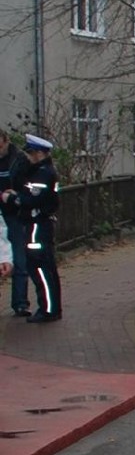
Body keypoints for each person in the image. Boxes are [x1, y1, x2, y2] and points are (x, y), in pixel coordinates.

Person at [1, 134, 61, 323]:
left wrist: (12, 198)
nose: (27, 157)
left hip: (37, 225)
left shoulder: (43, 173)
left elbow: (34, 199)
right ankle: (50, 308)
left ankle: (48, 309)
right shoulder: (43, 171)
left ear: (38, 154)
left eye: (30, 153)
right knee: (45, 268)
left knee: (40, 268)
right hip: (39, 223)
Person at [0, 131, 30, 316]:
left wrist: (16, 195)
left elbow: (27, 185)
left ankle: (20, 303)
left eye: (0, 146)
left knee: (19, 259)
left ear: (6, 142)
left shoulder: (19, 160)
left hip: (14, 215)